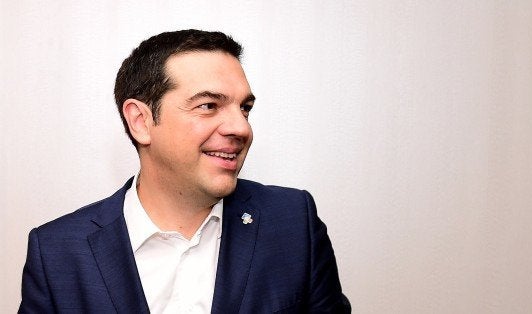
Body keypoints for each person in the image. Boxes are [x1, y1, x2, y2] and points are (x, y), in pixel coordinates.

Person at [19, 29, 350, 313]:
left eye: (244, 108)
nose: (241, 127)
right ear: (141, 121)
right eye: (209, 105)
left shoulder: (294, 224)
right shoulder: (56, 252)